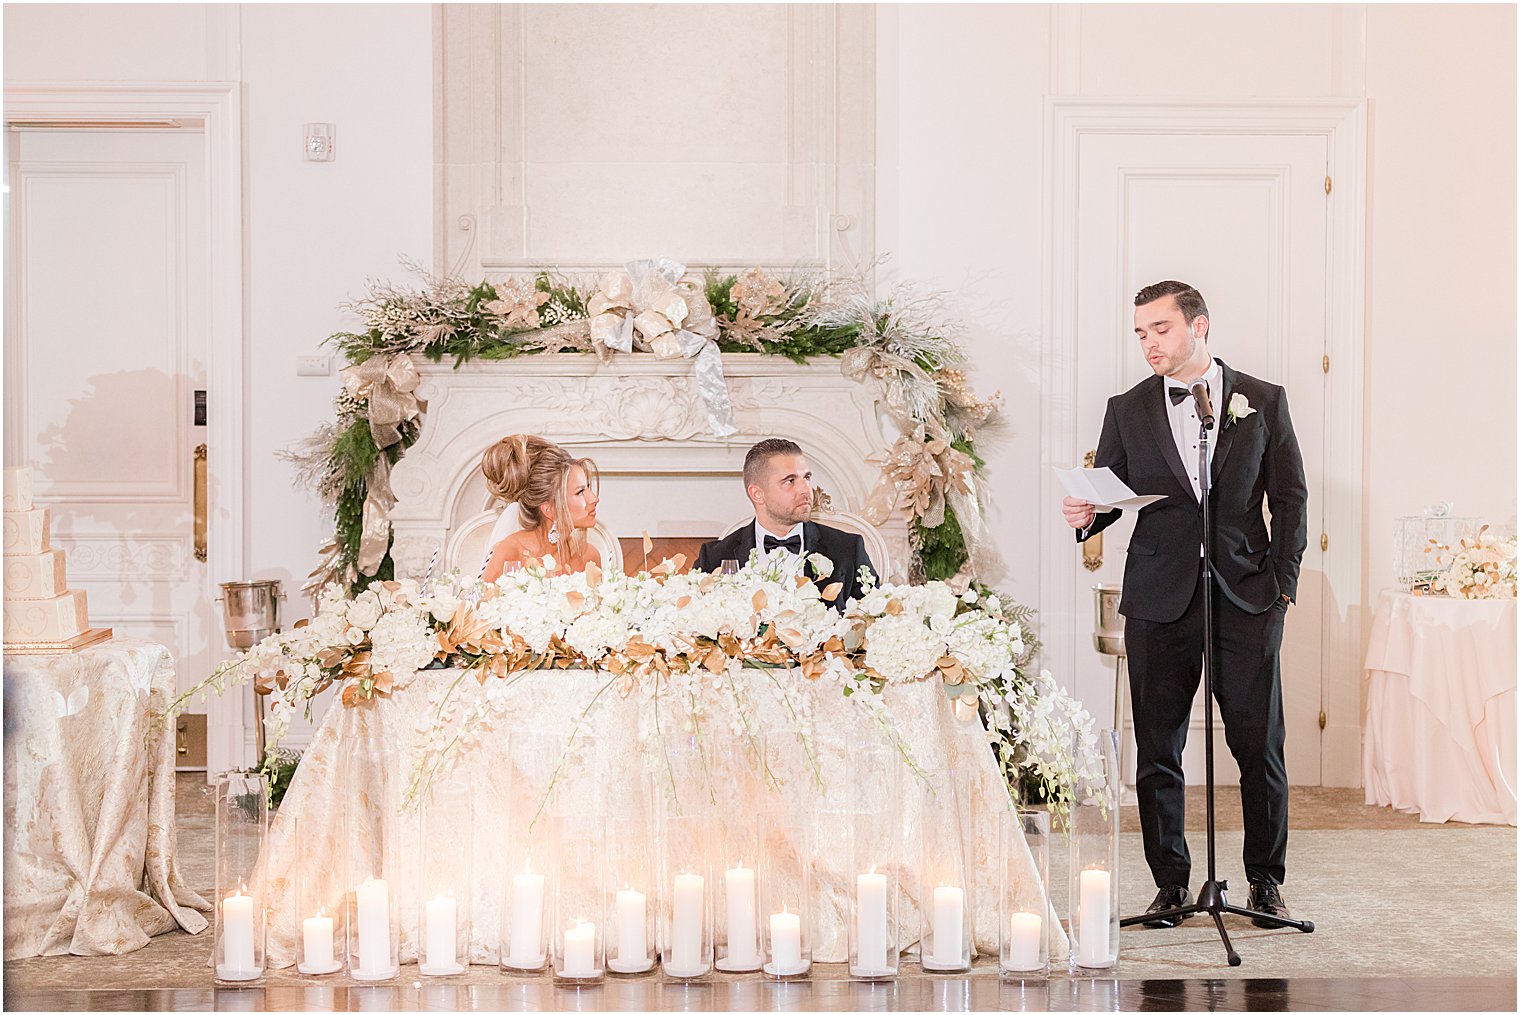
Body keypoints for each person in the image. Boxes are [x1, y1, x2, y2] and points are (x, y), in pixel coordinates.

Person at [1062, 280, 1307, 928]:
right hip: (1158, 598)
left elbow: (1290, 501)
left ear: (1200, 324)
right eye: (1140, 332)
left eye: (1160, 328)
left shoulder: (1263, 401)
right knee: (1159, 750)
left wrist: (1282, 587)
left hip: (1247, 597)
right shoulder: (1127, 407)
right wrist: (1085, 517)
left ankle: (1264, 881)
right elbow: (1107, 494)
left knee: (1261, 746)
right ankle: (1170, 882)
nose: (1148, 342)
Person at [695, 438, 877, 609]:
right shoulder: (714, 557)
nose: (806, 490)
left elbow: (873, 618)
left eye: (806, 477)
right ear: (757, 494)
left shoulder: (848, 549)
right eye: (790, 481)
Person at [479, 435, 602, 580]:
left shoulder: (590, 557)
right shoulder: (510, 552)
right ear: (549, 509)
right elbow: (476, 603)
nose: (594, 498)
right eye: (580, 492)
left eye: (588, 487)